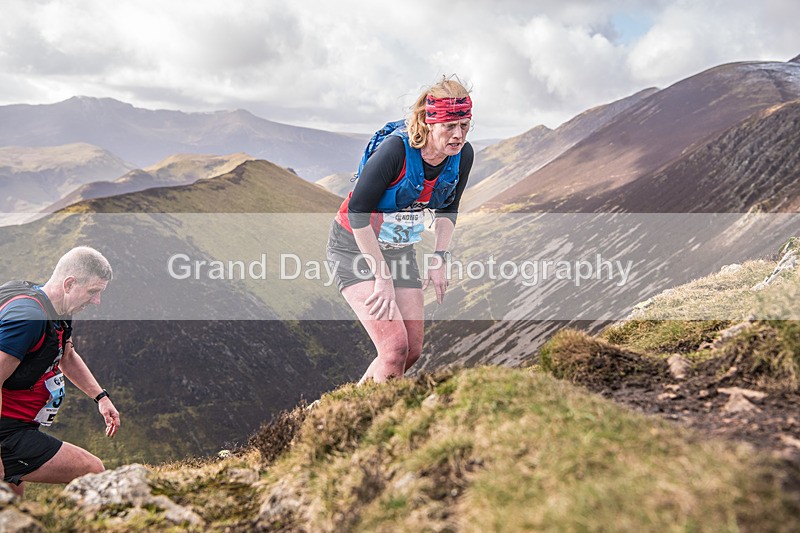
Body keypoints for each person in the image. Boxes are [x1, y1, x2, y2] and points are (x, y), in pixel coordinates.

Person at [327, 76, 474, 383]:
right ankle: (361, 423)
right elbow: (357, 213)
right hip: (353, 246)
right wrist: (382, 277)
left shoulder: (462, 156)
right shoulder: (396, 151)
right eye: (450, 126)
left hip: (398, 249)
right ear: (429, 122)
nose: (458, 135)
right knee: (394, 348)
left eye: (465, 125)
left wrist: (439, 258)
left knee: (412, 350)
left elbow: (448, 208)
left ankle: (351, 404)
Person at [0, 246, 120, 497]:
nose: (97, 301)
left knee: (12, 510)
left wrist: (101, 398)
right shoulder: (28, 319)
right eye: (93, 292)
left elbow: (66, 356)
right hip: (6, 431)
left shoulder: (58, 310)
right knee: (93, 470)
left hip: (18, 426)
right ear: (69, 283)